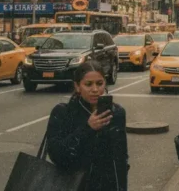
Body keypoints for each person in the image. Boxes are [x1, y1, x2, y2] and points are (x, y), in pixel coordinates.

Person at [46, 61, 128, 191]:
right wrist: (88, 128)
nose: (95, 90)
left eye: (99, 84)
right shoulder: (63, 112)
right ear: (78, 86)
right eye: (88, 84)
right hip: (75, 185)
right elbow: (57, 155)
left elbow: (121, 159)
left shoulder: (116, 113)